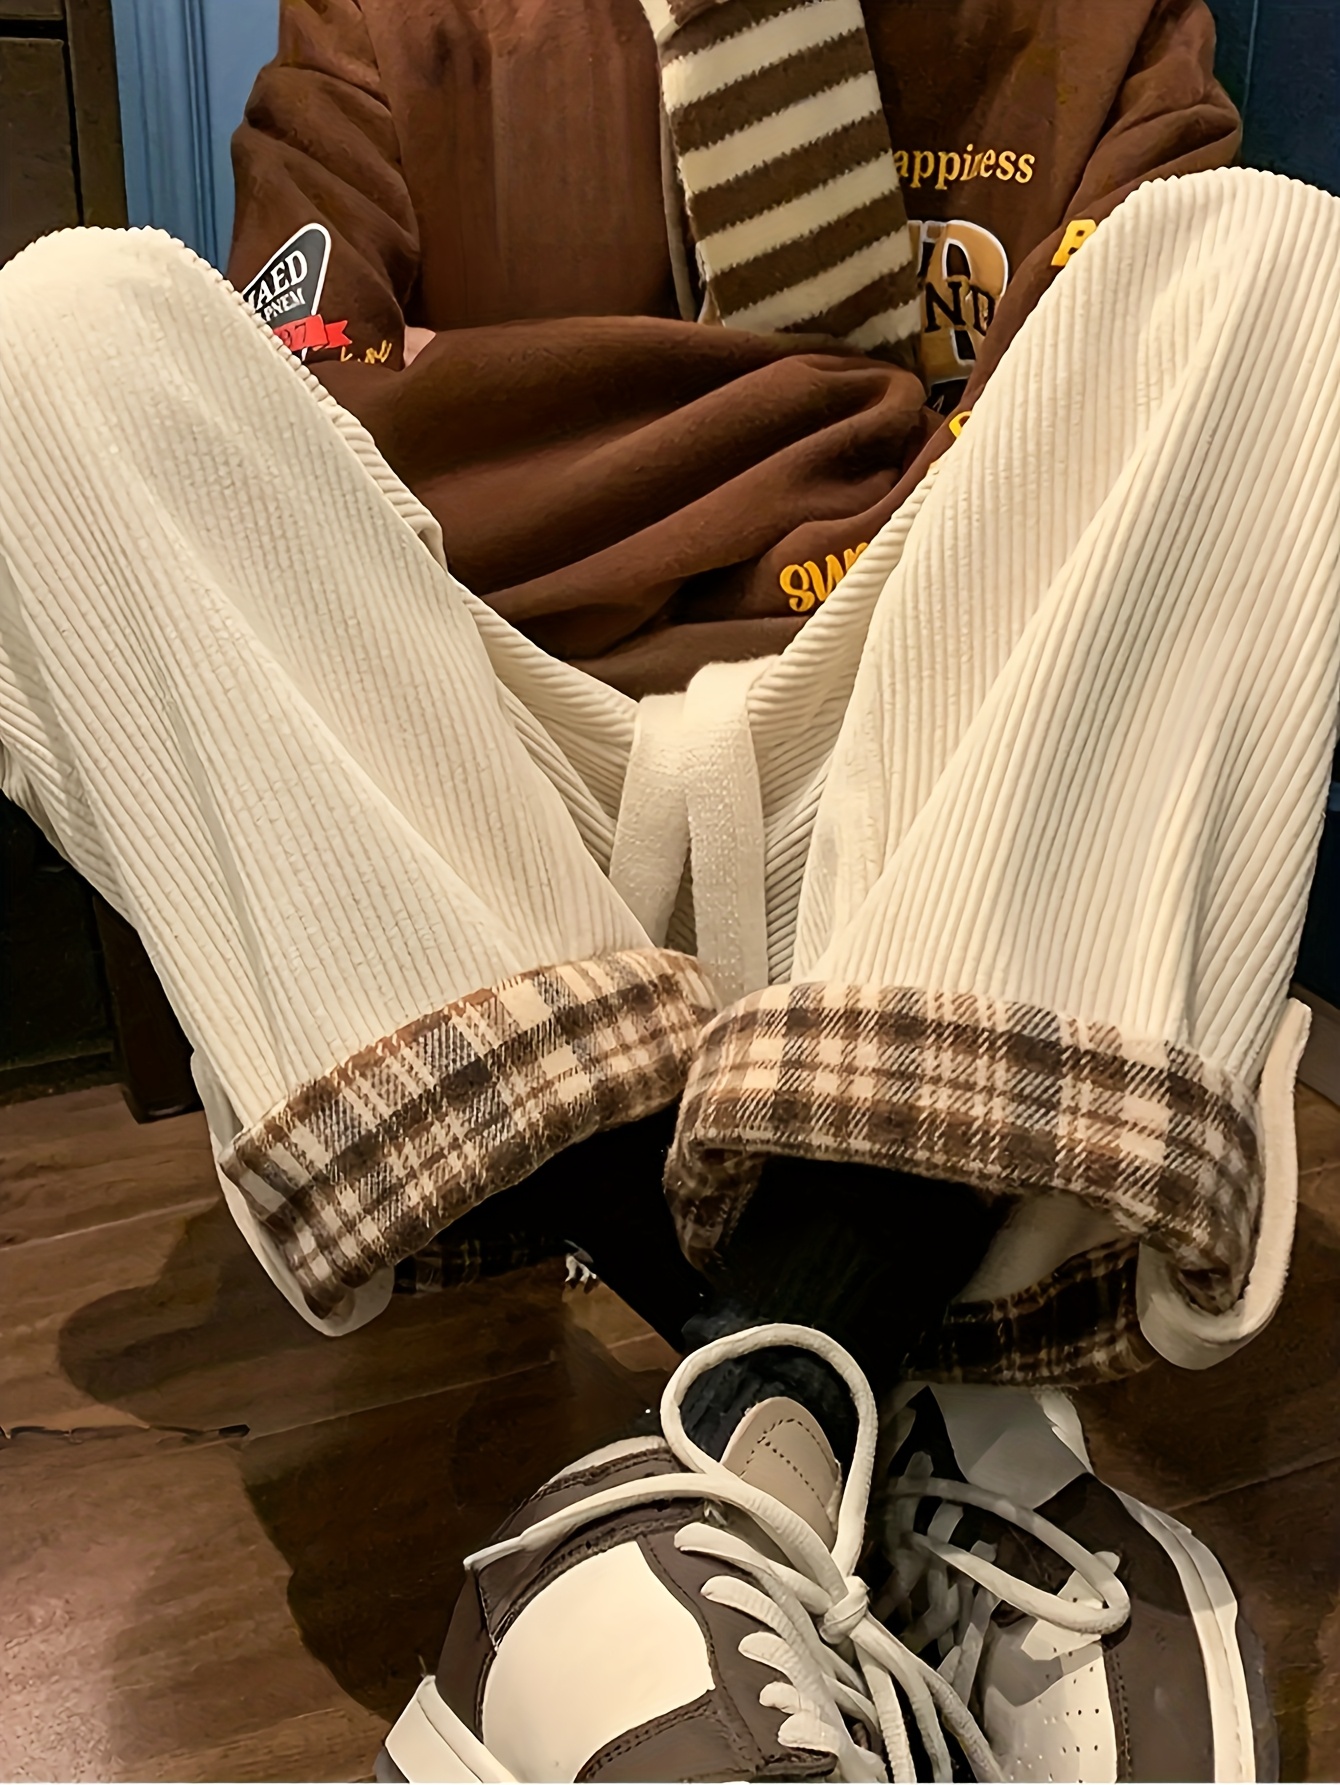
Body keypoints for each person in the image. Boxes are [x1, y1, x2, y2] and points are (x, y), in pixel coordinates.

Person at [0, 0, 1336, 1776]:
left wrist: (508, 403)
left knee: (1272, 257)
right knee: (55, 335)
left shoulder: (1089, 22)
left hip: (914, 720)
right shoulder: (391, 24)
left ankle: (678, 1496)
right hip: (508, 765)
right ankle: (886, 1404)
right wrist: (853, 414)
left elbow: (1130, 452)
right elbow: (306, 446)